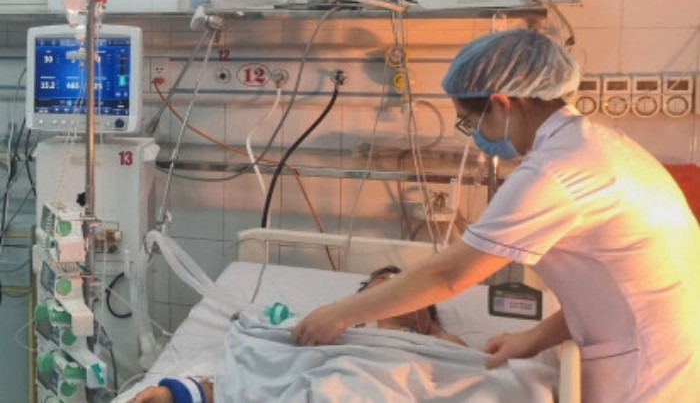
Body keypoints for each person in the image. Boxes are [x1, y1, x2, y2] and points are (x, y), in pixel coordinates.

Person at [291, 29, 700, 402]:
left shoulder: (555, 172)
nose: (476, 137)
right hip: (659, 345)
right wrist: (534, 337)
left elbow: (447, 275)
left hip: (649, 371)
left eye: (471, 122)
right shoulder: (600, 146)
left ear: (502, 104)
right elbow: (610, 289)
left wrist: (341, 313)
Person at [128, 266, 467, 403]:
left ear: (429, 320)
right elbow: (264, 372)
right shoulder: (332, 330)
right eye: (379, 286)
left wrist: (434, 340)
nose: (389, 289)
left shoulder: (434, 345)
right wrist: (180, 394)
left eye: (402, 288)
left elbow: (467, 377)